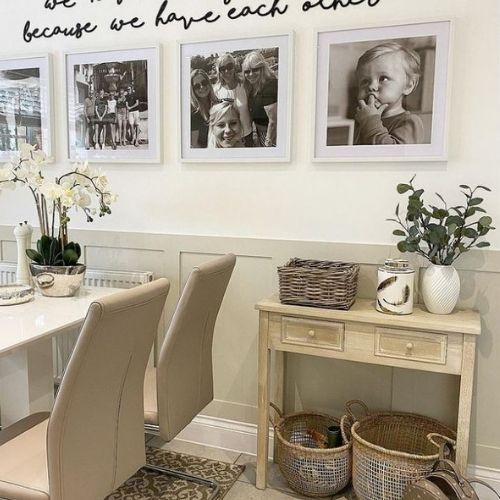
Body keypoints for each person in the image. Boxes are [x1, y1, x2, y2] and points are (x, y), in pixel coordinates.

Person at [354, 42, 424, 145]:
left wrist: (370, 122)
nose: (371, 86)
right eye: (365, 81)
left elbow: (394, 156)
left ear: (408, 86)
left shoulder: (409, 122)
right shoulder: (364, 118)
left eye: (383, 78)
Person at [213, 53, 253, 146]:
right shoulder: (216, 91)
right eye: (222, 68)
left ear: (234, 67)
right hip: (228, 138)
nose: (226, 71)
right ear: (219, 71)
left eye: (229, 66)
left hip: (247, 135)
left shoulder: (245, 85)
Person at [242, 51, 278, 147]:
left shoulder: (269, 86)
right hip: (260, 132)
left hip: (272, 135)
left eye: (255, 70)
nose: (251, 74)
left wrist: (268, 142)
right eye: (247, 71)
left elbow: (273, 121)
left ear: (262, 69)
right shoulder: (253, 87)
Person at [190, 69, 218, 148]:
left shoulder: (217, 104)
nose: (202, 87)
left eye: (204, 82)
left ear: (208, 83)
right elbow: (195, 145)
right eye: (197, 86)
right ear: (193, 90)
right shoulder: (193, 114)